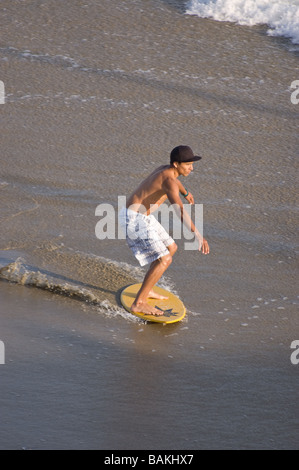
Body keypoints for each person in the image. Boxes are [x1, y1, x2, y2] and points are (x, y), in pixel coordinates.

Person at [120, 145, 210, 316]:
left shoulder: (166, 170)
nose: (191, 168)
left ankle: (148, 291)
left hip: (142, 216)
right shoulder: (168, 181)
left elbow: (176, 181)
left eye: (192, 164)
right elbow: (180, 211)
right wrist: (198, 236)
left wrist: (186, 192)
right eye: (188, 164)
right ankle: (139, 303)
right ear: (176, 164)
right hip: (133, 218)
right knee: (164, 259)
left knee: (171, 248)